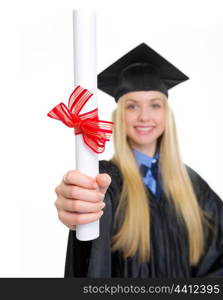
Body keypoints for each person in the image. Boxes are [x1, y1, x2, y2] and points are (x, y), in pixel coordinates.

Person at [55, 43, 223, 277]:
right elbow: (91, 261)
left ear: (166, 114)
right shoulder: (106, 181)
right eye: (132, 106)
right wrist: (79, 208)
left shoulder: (192, 185)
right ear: (119, 116)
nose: (144, 116)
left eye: (155, 105)